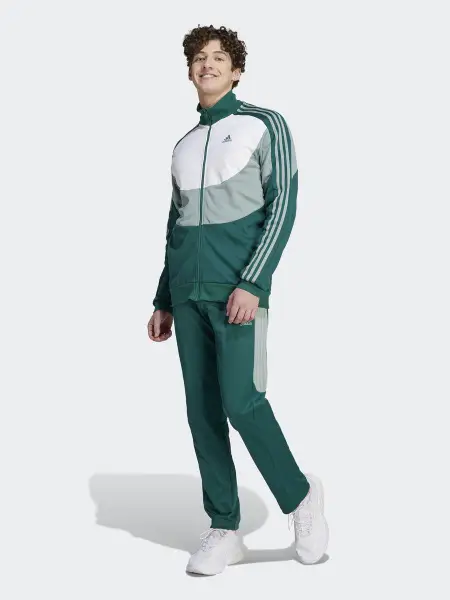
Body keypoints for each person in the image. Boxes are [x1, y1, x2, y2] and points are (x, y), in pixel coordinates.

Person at [147, 25, 329, 575]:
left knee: (242, 402)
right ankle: (224, 526)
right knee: (202, 411)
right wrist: (163, 297)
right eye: (199, 58)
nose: (207, 64)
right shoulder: (183, 145)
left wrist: (254, 281)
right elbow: (175, 225)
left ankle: (300, 497)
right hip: (188, 294)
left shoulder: (263, 124)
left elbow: (283, 203)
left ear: (237, 70)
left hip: (237, 292)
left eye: (218, 57)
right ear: (189, 70)